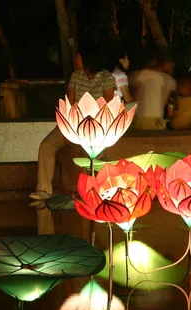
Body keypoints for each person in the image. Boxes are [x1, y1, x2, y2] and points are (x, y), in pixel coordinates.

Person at [29, 41, 116, 202]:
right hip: (73, 124)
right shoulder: (76, 76)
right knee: (46, 145)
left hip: (95, 128)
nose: (76, 59)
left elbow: (108, 107)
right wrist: (68, 129)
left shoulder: (107, 78)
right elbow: (69, 103)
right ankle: (44, 189)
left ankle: (98, 190)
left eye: (79, 57)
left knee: (92, 154)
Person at [130, 52, 176, 130]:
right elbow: (165, 101)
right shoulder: (168, 79)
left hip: (143, 116)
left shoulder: (140, 75)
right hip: (158, 117)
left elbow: (136, 97)